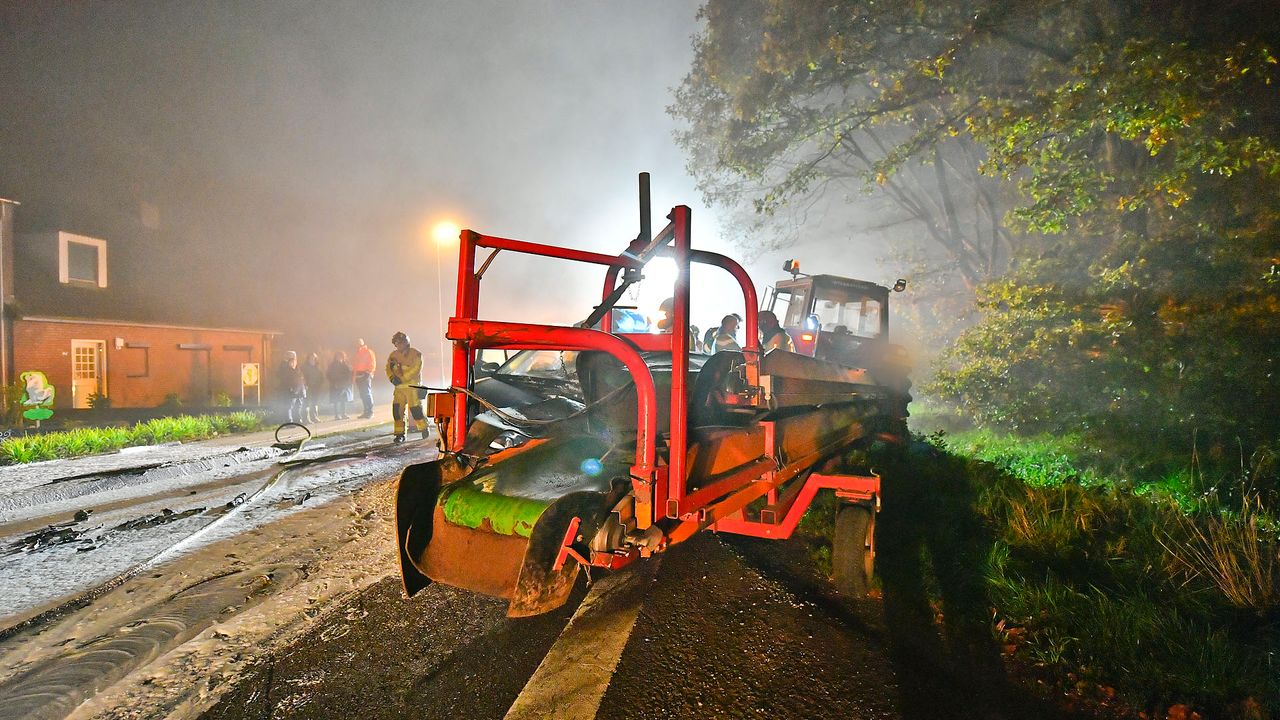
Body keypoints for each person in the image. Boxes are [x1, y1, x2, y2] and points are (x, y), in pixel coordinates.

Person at [386, 331, 429, 443]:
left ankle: (424, 428)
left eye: (400, 343)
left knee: (415, 409)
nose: (399, 345)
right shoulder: (393, 355)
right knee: (397, 410)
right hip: (399, 389)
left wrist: (402, 378)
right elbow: (388, 368)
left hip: (412, 387)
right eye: (396, 343)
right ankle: (399, 434)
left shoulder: (416, 354)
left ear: (406, 342)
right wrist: (392, 378)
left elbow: (416, 369)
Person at [276, 351, 306, 424]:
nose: (293, 360)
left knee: (298, 406)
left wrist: (302, 387)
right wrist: (290, 387)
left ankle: (297, 420)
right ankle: (289, 421)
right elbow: (284, 378)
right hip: (290, 390)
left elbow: (300, 377)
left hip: (298, 390)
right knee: (289, 406)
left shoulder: (297, 367)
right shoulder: (284, 367)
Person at [352, 338, 376, 419]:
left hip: (365, 374)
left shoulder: (368, 351)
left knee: (367, 393)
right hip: (359, 375)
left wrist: (368, 372)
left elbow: (372, 363)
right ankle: (366, 411)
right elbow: (355, 366)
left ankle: (370, 411)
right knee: (362, 394)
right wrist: (354, 377)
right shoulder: (357, 353)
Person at [328, 350, 354, 420]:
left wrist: (346, 382)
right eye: (337, 356)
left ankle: (343, 414)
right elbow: (329, 375)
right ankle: (337, 415)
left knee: (343, 400)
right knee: (335, 400)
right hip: (335, 385)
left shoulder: (346, 365)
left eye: (341, 356)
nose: (339, 358)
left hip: (343, 385)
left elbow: (349, 374)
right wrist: (333, 382)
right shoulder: (332, 365)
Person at [302, 352, 324, 423]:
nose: (312, 359)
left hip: (316, 387)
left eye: (314, 358)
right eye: (311, 358)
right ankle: (306, 418)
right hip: (308, 387)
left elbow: (321, 376)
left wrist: (320, 384)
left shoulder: (318, 366)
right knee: (307, 403)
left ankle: (314, 417)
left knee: (315, 402)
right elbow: (302, 376)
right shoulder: (304, 367)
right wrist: (305, 384)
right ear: (308, 358)